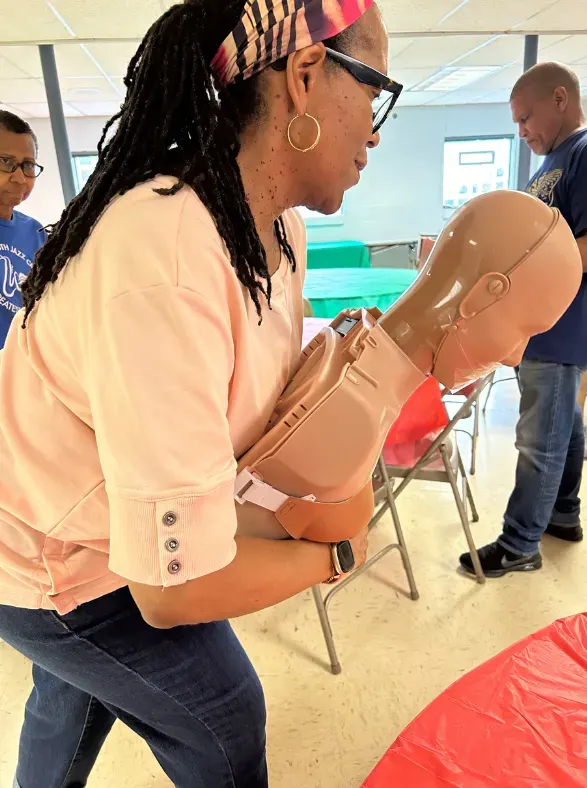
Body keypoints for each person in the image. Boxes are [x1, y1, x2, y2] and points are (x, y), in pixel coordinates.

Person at [0, 2, 394, 786]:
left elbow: (249, 398)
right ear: (307, 76)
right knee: (224, 714)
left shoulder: (277, 227)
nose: (377, 131)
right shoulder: (164, 254)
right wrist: (334, 556)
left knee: (74, 692)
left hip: (93, 512)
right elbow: (174, 593)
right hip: (49, 551)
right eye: (376, 88)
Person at [460, 61, 587, 579]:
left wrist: (522, 286)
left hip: (560, 326)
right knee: (564, 422)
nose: (521, 131)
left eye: (525, 117)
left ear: (560, 98)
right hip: (543, 327)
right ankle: (562, 514)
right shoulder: (550, 161)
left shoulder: (582, 152)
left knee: (540, 438)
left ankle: (519, 544)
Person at [0, 110, 45, 347]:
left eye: (28, 166)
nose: (20, 178)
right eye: (5, 162)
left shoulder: (36, 233)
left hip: (22, 370)